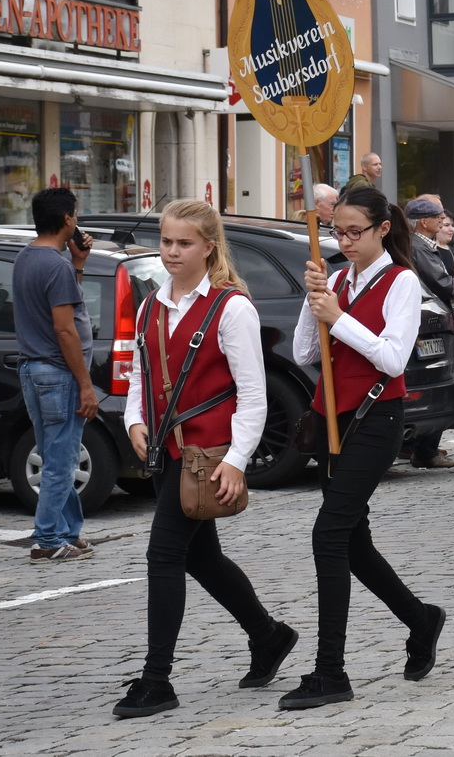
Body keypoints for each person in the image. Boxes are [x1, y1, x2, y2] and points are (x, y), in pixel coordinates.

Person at [115, 200, 293, 718]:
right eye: (167, 241)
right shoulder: (150, 304)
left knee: (164, 554)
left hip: (207, 456)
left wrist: (237, 462)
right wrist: (133, 420)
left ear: (208, 247)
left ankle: (157, 680)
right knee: (200, 556)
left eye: (184, 243)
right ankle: (269, 635)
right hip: (166, 451)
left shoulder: (231, 307)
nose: (172, 252)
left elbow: (253, 395)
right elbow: (139, 376)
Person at [285, 186, 441, 709]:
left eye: (355, 232)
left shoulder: (401, 281)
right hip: (335, 416)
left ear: (380, 230)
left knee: (328, 535)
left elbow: (394, 359)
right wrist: (314, 304)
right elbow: (305, 350)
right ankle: (421, 619)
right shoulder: (335, 279)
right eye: (338, 231)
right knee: (353, 543)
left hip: (377, 417)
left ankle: (330, 670)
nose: (345, 241)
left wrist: (338, 316)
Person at [14, 186, 96, 562]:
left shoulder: (26, 258)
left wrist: (78, 263)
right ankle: (47, 539)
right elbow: (65, 330)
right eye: (75, 215)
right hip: (58, 373)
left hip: (32, 369)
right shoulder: (55, 265)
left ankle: (68, 531)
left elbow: (65, 309)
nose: (77, 221)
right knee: (62, 461)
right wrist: (85, 385)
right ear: (66, 219)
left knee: (55, 455)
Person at [404, 196, 454, 469]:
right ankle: (425, 450)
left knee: (435, 378)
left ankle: (424, 447)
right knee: (435, 379)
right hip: (430, 318)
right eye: (437, 216)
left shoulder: (423, 245)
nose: (442, 220)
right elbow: (442, 282)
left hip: (430, 318)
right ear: (423, 222)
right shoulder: (420, 247)